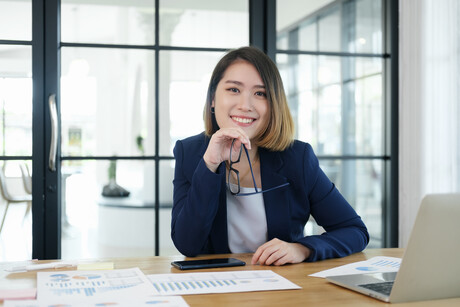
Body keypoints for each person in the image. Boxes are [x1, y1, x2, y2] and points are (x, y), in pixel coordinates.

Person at [171, 46, 369, 265]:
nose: (245, 106)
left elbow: (354, 230)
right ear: (212, 100)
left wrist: (302, 249)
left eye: (260, 93)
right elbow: (187, 244)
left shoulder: (297, 157)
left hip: (281, 285)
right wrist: (210, 164)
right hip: (217, 287)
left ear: (273, 104)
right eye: (234, 90)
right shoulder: (190, 153)